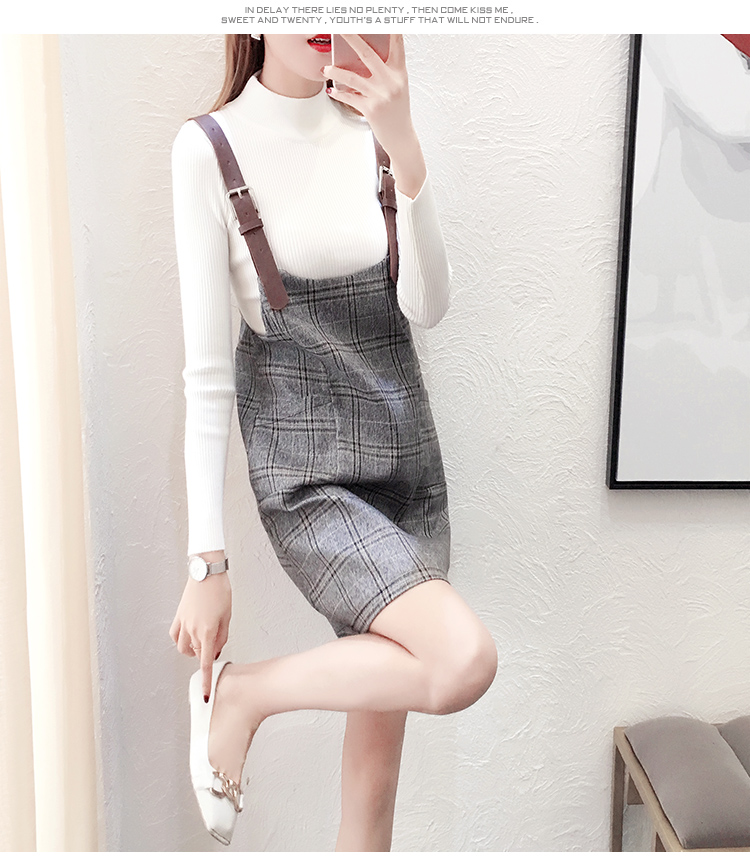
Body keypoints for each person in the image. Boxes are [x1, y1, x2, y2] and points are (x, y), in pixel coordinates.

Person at [168, 33, 498, 851]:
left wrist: (404, 143)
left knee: (374, 786)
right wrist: (207, 564)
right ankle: (242, 696)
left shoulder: (374, 130)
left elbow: (427, 307)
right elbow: (206, 377)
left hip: (408, 472)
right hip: (310, 483)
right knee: (462, 661)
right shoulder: (210, 148)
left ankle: (246, 700)